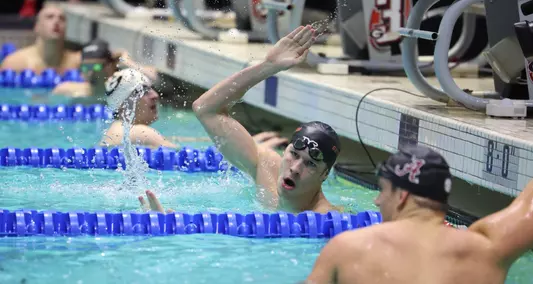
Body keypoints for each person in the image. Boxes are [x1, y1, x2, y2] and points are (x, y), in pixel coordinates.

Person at [139, 25, 344, 214]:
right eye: (294, 154)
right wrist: (268, 66)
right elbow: (205, 109)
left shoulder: (327, 218)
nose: (295, 168)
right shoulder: (267, 169)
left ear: (325, 174)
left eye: (310, 164)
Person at [304, 144, 533, 284]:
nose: (377, 199)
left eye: (383, 190)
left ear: (402, 196)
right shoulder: (487, 249)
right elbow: (527, 209)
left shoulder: (349, 248)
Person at [100, 68, 290, 150]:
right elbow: (189, 159)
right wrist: (249, 148)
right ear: (124, 104)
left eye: (152, 89)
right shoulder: (141, 132)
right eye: (143, 91)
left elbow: (179, 143)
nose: (155, 95)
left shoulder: (120, 131)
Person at [52, 38, 158, 98]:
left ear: (110, 66)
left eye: (96, 67)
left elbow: (153, 78)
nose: (90, 73)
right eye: (86, 67)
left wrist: (126, 61)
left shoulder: (124, 88)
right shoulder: (67, 89)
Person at [1, 4, 80, 73]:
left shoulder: (77, 63)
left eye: (62, 19)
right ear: (37, 27)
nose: (56, 21)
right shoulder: (15, 63)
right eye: (50, 17)